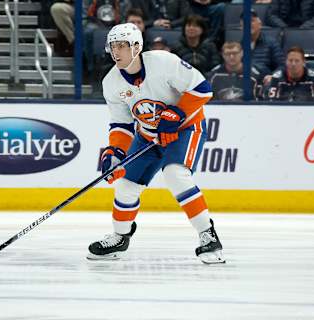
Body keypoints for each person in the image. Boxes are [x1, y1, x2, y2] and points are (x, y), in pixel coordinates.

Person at [87, 22, 225, 264]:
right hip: (148, 135)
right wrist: (115, 152)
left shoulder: (164, 62)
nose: (116, 52)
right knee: (125, 185)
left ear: (137, 46)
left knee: (175, 174)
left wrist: (177, 115)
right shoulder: (111, 83)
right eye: (112, 47)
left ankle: (208, 236)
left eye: (122, 46)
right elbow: (121, 125)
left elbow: (202, 89)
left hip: (186, 128)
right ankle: (120, 238)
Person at [239, 9, 284, 76]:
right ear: (241, 27)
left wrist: (273, 77)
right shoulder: (238, 47)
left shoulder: (272, 43)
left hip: (265, 83)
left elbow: (283, 66)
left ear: (260, 24)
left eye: (252, 20)